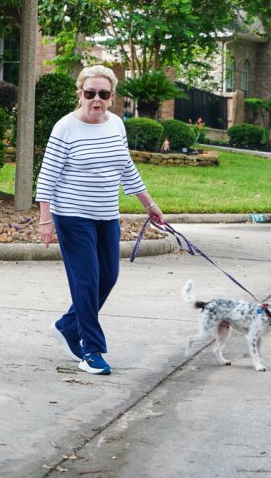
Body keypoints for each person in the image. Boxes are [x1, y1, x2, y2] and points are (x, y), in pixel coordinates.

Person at [35, 65, 165, 376]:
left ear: (112, 97)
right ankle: (91, 351)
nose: (96, 99)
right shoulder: (65, 127)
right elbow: (48, 176)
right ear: (79, 94)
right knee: (87, 281)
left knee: (108, 277)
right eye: (90, 93)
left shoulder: (116, 125)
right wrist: (45, 219)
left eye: (103, 94)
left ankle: (67, 326)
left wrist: (149, 204)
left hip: (107, 215)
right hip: (72, 216)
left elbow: (126, 167)